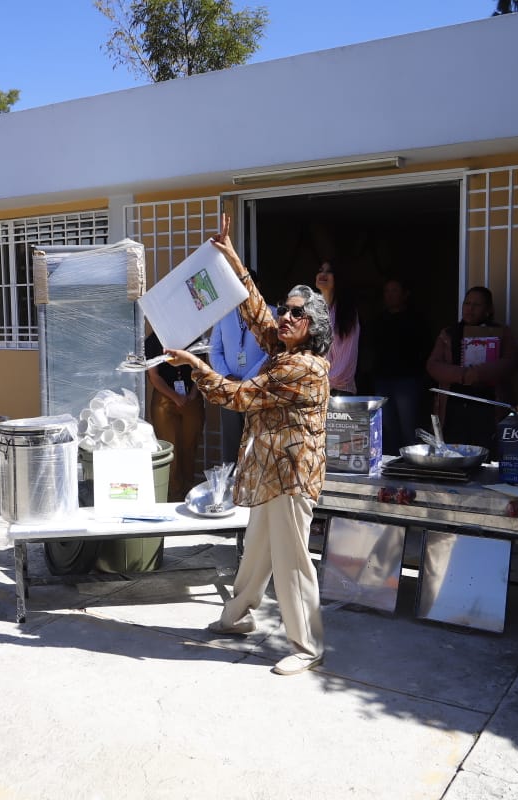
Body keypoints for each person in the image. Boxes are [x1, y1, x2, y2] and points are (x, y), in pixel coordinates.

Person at [166, 214, 331, 677]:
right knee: (257, 548)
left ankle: (307, 644)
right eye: (287, 309)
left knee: (292, 560)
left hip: (292, 476)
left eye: (298, 313)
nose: (286, 316)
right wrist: (233, 260)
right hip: (268, 471)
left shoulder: (302, 368)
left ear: (313, 325)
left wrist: (195, 364)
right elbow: (256, 311)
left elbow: (236, 396)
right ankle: (236, 616)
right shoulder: (283, 350)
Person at [426, 286, 517, 453]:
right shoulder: (448, 334)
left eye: (477, 305)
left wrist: (479, 373)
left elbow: (510, 362)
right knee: (455, 454)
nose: (470, 308)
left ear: (489, 310)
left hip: (487, 408)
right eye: (467, 303)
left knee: (485, 455)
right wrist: (462, 375)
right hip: (454, 407)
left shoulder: (502, 333)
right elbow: (433, 365)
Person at [209, 284, 269, 465]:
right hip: (230, 390)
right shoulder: (223, 315)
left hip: (257, 390)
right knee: (231, 445)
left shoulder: (270, 313)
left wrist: (247, 380)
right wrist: (227, 376)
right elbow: (214, 350)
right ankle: (230, 489)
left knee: (257, 445)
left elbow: (273, 352)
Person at [371, 277, 432, 454]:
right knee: (386, 426)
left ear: (405, 294)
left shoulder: (416, 320)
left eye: (394, 291)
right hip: (383, 379)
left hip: (408, 380)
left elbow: (426, 348)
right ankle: (391, 464)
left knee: (409, 425)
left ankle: (412, 464)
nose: (390, 295)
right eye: (387, 291)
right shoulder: (379, 321)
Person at [144, 330, 205, 501]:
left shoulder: (194, 337)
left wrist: (193, 394)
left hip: (191, 394)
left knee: (190, 444)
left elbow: (202, 368)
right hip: (165, 396)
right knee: (169, 447)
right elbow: (154, 376)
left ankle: (188, 491)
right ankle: (172, 494)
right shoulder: (152, 341)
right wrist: (175, 396)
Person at [315, 260, 361, 396]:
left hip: (339, 392)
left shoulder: (347, 313)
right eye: (320, 270)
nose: (323, 274)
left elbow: (347, 359)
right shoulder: (313, 310)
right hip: (315, 390)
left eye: (329, 271)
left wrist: (319, 381)